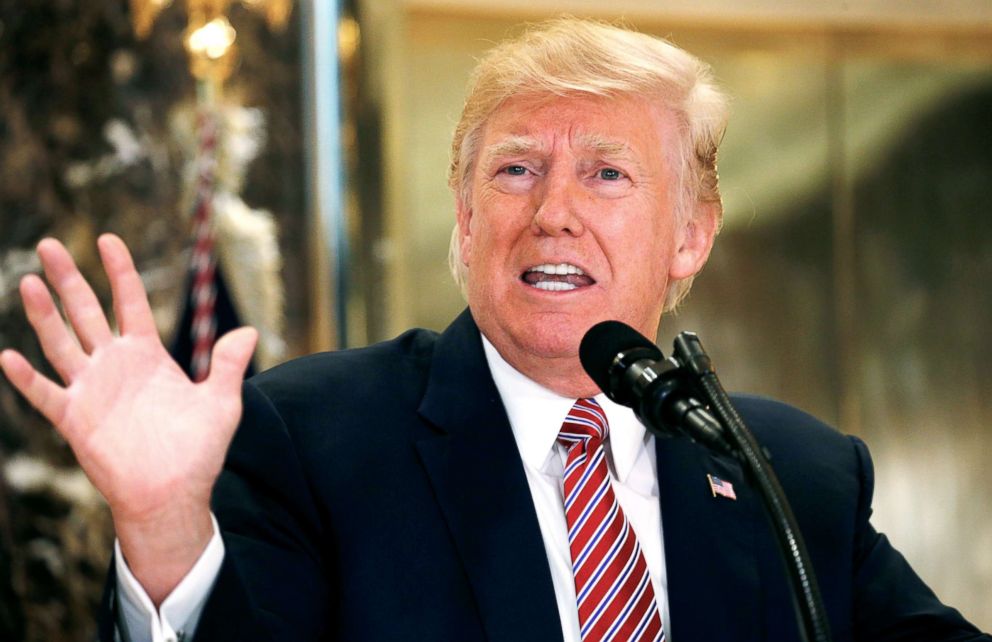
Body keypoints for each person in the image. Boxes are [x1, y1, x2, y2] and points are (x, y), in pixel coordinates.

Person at [1, 17, 989, 642]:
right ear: (466, 218)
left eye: (606, 173)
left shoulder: (794, 472)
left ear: (690, 233)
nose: (551, 211)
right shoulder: (315, 436)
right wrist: (166, 525)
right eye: (514, 171)